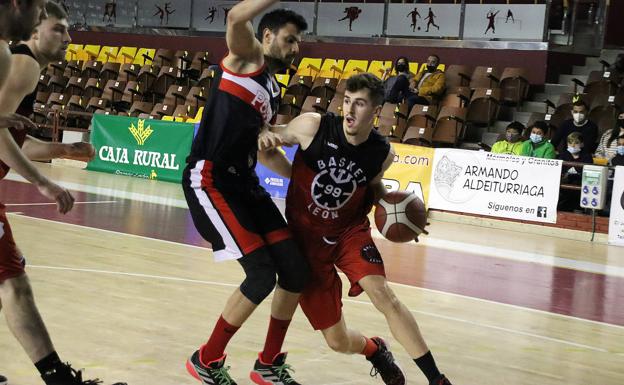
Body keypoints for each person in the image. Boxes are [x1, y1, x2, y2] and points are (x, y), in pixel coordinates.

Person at [258, 73, 453, 385]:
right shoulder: (313, 125)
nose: (349, 110)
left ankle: (436, 379)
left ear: (375, 111)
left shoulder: (381, 153)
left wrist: (401, 213)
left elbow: (372, 187)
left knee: (383, 295)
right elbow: (267, 143)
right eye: (347, 101)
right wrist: (269, 142)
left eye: (359, 104)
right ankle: (374, 350)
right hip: (306, 240)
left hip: (349, 233)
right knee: (337, 341)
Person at [181, 2, 310, 384]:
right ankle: (206, 359)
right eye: (289, 40)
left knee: (295, 269)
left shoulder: (271, 87)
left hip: (245, 183)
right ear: (266, 36)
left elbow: (266, 150)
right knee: (260, 274)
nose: (295, 49)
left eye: (298, 42)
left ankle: (268, 364)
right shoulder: (247, 57)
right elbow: (236, 17)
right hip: (211, 179)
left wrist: (303, 183)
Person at [0, 3, 126, 385]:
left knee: (11, 281)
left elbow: (11, 138)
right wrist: (43, 182)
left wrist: (61, 150)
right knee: (12, 281)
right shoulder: (23, 66)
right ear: (35, 31)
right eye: (60, 30)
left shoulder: (20, 65)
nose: (69, 39)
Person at [557, 132, 593, 212]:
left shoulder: (587, 157)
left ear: (582, 144)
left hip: (580, 192)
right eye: (570, 143)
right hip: (564, 191)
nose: (572, 146)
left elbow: (587, 176)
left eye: (576, 143)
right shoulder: (563, 156)